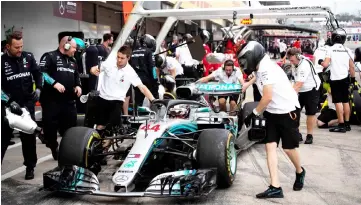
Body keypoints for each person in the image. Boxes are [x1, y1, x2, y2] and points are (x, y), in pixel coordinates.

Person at [238, 41, 305, 198]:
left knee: (288, 148)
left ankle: (300, 171)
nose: (244, 65)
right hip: (272, 112)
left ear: (253, 56)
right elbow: (259, 78)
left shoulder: (267, 68)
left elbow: (267, 97)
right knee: (270, 147)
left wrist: (254, 113)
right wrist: (248, 83)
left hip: (287, 111)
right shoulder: (262, 67)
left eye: (245, 61)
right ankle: (275, 186)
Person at [89, 45, 155, 140]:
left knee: (111, 129)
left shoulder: (130, 72)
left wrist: (153, 100)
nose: (119, 60)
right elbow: (93, 69)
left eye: (122, 58)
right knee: (100, 126)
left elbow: (142, 87)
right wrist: (93, 71)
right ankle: (97, 146)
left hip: (117, 101)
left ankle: (107, 145)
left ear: (128, 58)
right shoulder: (109, 64)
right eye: (118, 57)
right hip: (102, 99)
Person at [1, 31, 43, 179]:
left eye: (21, 46)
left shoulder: (28, 57)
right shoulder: (1, 61)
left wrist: (38, 88)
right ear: (8, 46)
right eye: (16, 47)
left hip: (26, 105)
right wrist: (8, 101)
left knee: (29, 138)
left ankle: (30, 167)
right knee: (2, 139)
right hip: (7, 108)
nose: (20, 50)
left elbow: (38, 74)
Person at [39, 36, 83, 160]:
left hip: (68, 101)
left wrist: (78, 86)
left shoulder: (73, 60)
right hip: (51, 101)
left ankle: (66, 151)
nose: (75, 50)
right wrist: (54, 83)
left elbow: (77, 76)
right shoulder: (49, 56)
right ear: (66, 46)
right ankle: (53, 146)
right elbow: (41, 72)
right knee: (50, 129)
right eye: (74, 48)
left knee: (70, 129)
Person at [319, 29, 355, 132]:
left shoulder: (330, 50)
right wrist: (352, 80)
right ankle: (347, 124)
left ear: (333, 38)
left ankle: (341, 124)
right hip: (345, 79)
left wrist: (320, 61)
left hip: (335, 79)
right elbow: (352, 67)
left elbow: (325, 65)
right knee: (345, 101)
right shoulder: (348, 50)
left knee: (337, 102)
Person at [287, 48, 321, 144]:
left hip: (311, 90)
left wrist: (289, 97)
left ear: (298, 56)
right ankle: (297, 134)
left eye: (292, 60)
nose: (291, 62)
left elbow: (298, 84)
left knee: (310, 113)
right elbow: (294, 81)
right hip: (301, 91)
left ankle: (310, 135)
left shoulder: (304, 65)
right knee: (295, 112)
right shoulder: (295, 64)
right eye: (290, 60)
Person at [130, 34, 159, 107]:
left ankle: (137, 115)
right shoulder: (149, 52)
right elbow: (152, 68)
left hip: (136, 81)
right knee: (155, 100)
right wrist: (155, 80)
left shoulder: (134, 51)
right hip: (147, 80)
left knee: (138, 102)